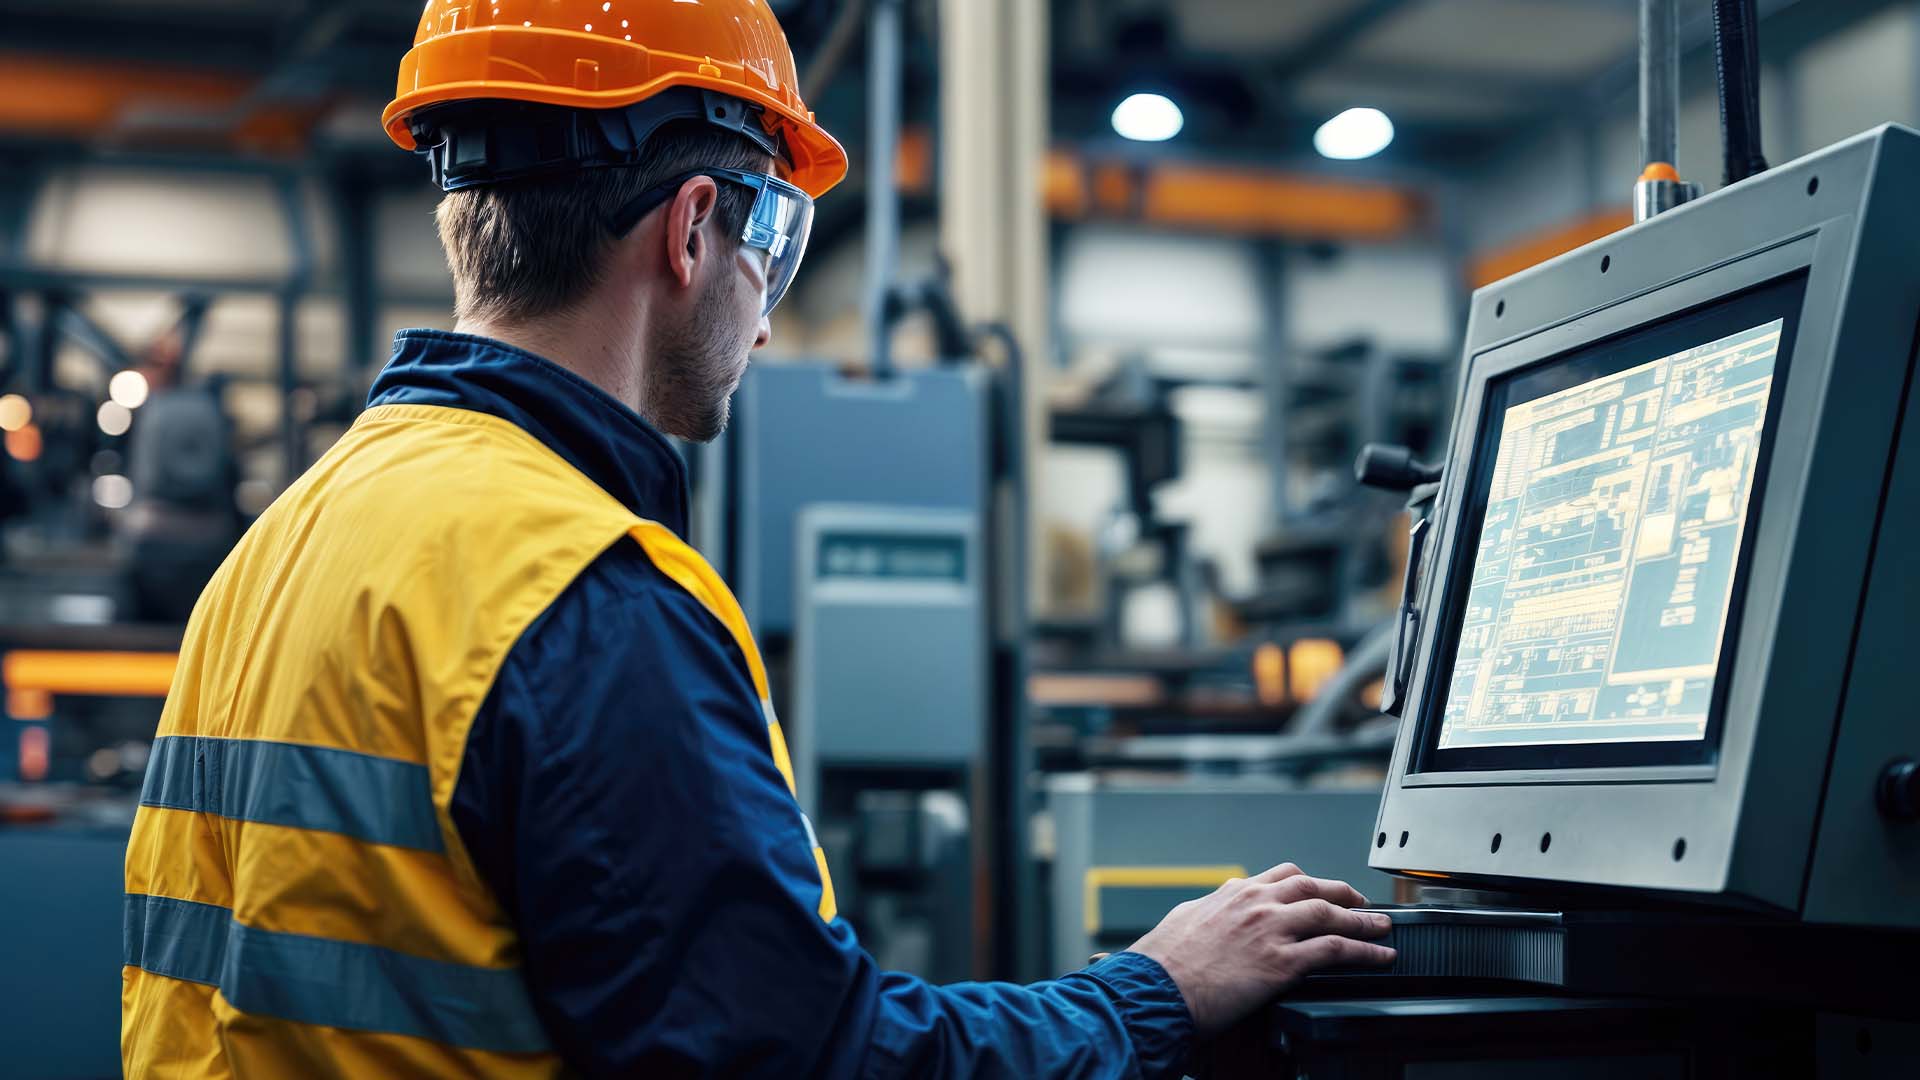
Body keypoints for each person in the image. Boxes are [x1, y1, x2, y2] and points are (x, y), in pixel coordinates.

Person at [120, 3, 1394, 1076]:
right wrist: (1150, 991)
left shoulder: (287, 538)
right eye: (772, 251)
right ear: (687, 232)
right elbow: (812, 1060)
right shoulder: (578, 596)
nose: (770, 322)